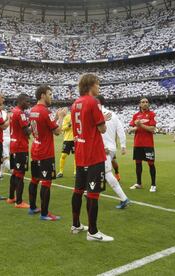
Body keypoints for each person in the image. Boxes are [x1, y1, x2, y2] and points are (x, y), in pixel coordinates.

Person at [71, 74, 113, 242]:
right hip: (93, 153)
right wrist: (104, 120)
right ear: (91, 85)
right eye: (98, 84)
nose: (99, 87)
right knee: (93, 193)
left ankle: (75, 224)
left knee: (78, 190)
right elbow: (102, 129)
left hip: (80, 152)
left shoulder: (75, 103)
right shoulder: (93, 102)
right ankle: (93, 232)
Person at [29, 85, 66, 221]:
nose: (51, 97)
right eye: (50, 94)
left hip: (36, 149)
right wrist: (61, 117)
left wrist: (55, 118)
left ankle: (32, 207)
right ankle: (44, 213)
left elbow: (45, 127)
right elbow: (57, 131)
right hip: (45, 151)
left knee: (34, 179)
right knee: (46, 182)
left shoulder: (33, 110)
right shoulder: (45, 111)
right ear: (43, 95)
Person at [96, 95, 129, 209]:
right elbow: (120, 129)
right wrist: (123, 145)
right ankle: (92, 192)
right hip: (112, 148)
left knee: (107, 173)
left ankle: (124, 198)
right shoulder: (113, 114)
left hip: (103, 148)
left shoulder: (96, 114)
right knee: (97, 170)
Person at [7, 93, 31, 209]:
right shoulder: (20, 113)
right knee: (20, 173)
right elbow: (26, 131)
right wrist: (35, 125)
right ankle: (19, 201)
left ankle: (11, 197)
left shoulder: (13, 112)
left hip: (13, 144)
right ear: (21, 101)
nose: (28, 103)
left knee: (15, 172)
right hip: (20, 146)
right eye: (27, 101)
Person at [128, 98, 157, 192]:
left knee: (151, 164)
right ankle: (138, 183)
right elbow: (130, 129)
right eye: (143, 102)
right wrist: (136, 127)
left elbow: (152, 129)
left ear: (148, 104)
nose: (145, 103)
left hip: (148, 144)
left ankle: (153, 184)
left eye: (146, 102)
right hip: (137, 143)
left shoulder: (152, 114)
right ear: (139, 104)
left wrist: (141, 125)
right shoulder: (135, 115)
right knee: (138, 163)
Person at [56, 111, 76, 178]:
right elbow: (63, 128)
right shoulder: (67, 117)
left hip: (75, 139)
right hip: (67, 139)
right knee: (63, 155)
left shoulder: (79, 116)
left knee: (76, 156)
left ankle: (75, 172)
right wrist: (69, 124)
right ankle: (61, 172)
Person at [0, 105, 11, 179]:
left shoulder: (0, 114)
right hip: (10, 138)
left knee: (5, 158)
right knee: (3, 157)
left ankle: (13, 171)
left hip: (3, 138)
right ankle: (0, 174)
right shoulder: (8, 115)